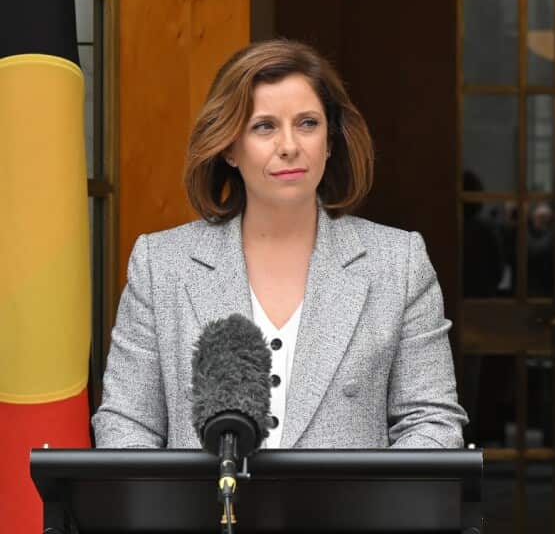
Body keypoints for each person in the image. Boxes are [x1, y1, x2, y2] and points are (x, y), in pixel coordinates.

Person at [93, 39, 467, 449]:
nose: (289, 146)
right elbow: (126, 425)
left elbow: (431, 422)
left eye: (308, 123)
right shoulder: (161, 264)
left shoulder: (398, 262)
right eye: (264, 126)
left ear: (329, 141)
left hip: (354, 514)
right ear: (230, 146)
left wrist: (375, 509)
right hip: (203, 514)